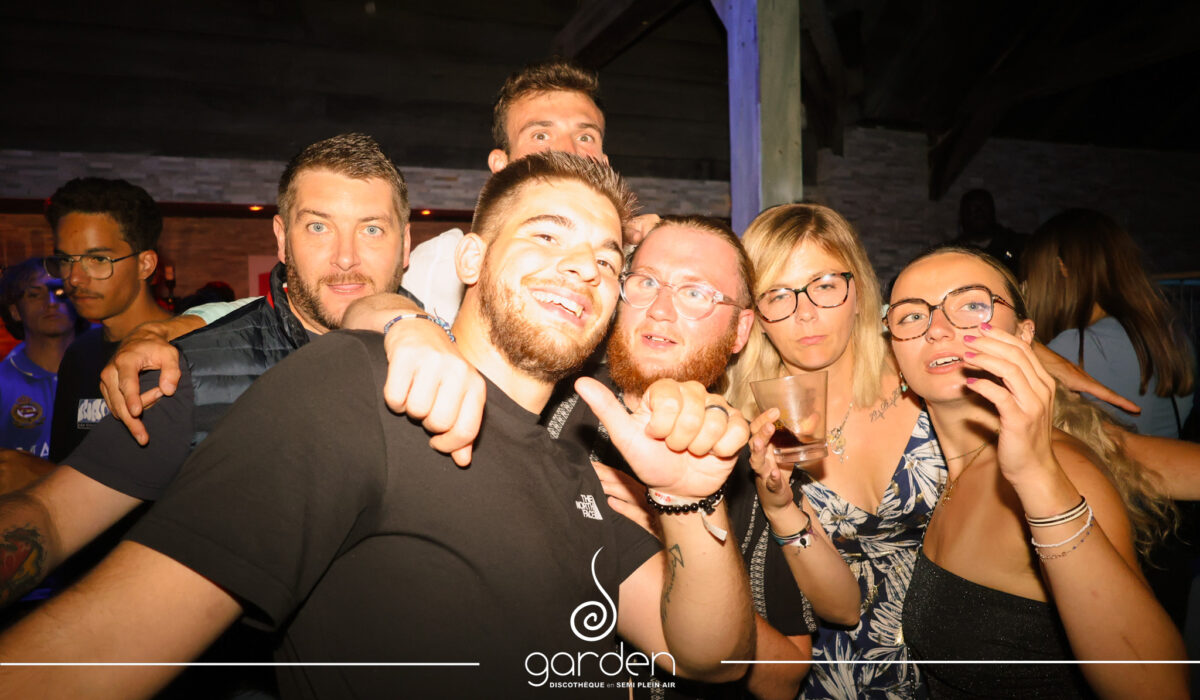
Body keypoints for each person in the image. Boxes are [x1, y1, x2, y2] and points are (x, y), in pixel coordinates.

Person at [0, 151, 755, 699]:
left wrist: (690, 502)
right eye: (547, 236)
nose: (585, 268)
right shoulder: (353, 383)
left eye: (607, 260)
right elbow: (101, 649)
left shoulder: (576, 454)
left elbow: (711, 659)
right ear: (470, 259)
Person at [0, 133, 420, 609]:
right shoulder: (187, 372)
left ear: (406, 243)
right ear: (282, 240)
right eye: (319, 227)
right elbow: (54, 516)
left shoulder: (456, 364)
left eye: (372, 229)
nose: (345, 257)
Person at [546, 215, 860, 700]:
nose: (660, 310)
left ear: (740, 331)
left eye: (696, 293)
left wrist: (676, 542)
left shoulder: (755, 464)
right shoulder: (547, 406)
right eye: (645, 282)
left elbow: (786, 678)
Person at [889, 246, 1186, 697]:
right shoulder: (952, 467)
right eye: (912, 316)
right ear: (894, 353)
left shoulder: (1061, 469)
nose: (938, 329)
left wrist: (1035, 476)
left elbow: (1157, 687)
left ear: (1025, 334)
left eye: (971, 305)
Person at [726, 204, 938, 698]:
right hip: (834, 678)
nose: (805, 313)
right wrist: (780, 505)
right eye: (778, 294)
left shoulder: (921, 374)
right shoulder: (752, 426)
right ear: (757, 317)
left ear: (858, 291)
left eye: (823, 285)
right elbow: (837, 609)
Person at [1022, 208, 1194, 439]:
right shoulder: (1168, 333)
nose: (1027, 284)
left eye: (1032, 273)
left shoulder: (1078, 346)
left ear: (1061, 267)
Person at [41, 177, 174, 463]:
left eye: (98, 260)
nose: (74, 278)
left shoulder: (181, 353)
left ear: (145, 265)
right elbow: (64, 460)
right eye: (65, 260)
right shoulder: (79, 354)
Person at [0, 259, 87, 486]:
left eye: (60, 293)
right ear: (15, 311)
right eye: (34, 295)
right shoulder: (4, 382)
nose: (51, 303)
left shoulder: (108, 364)